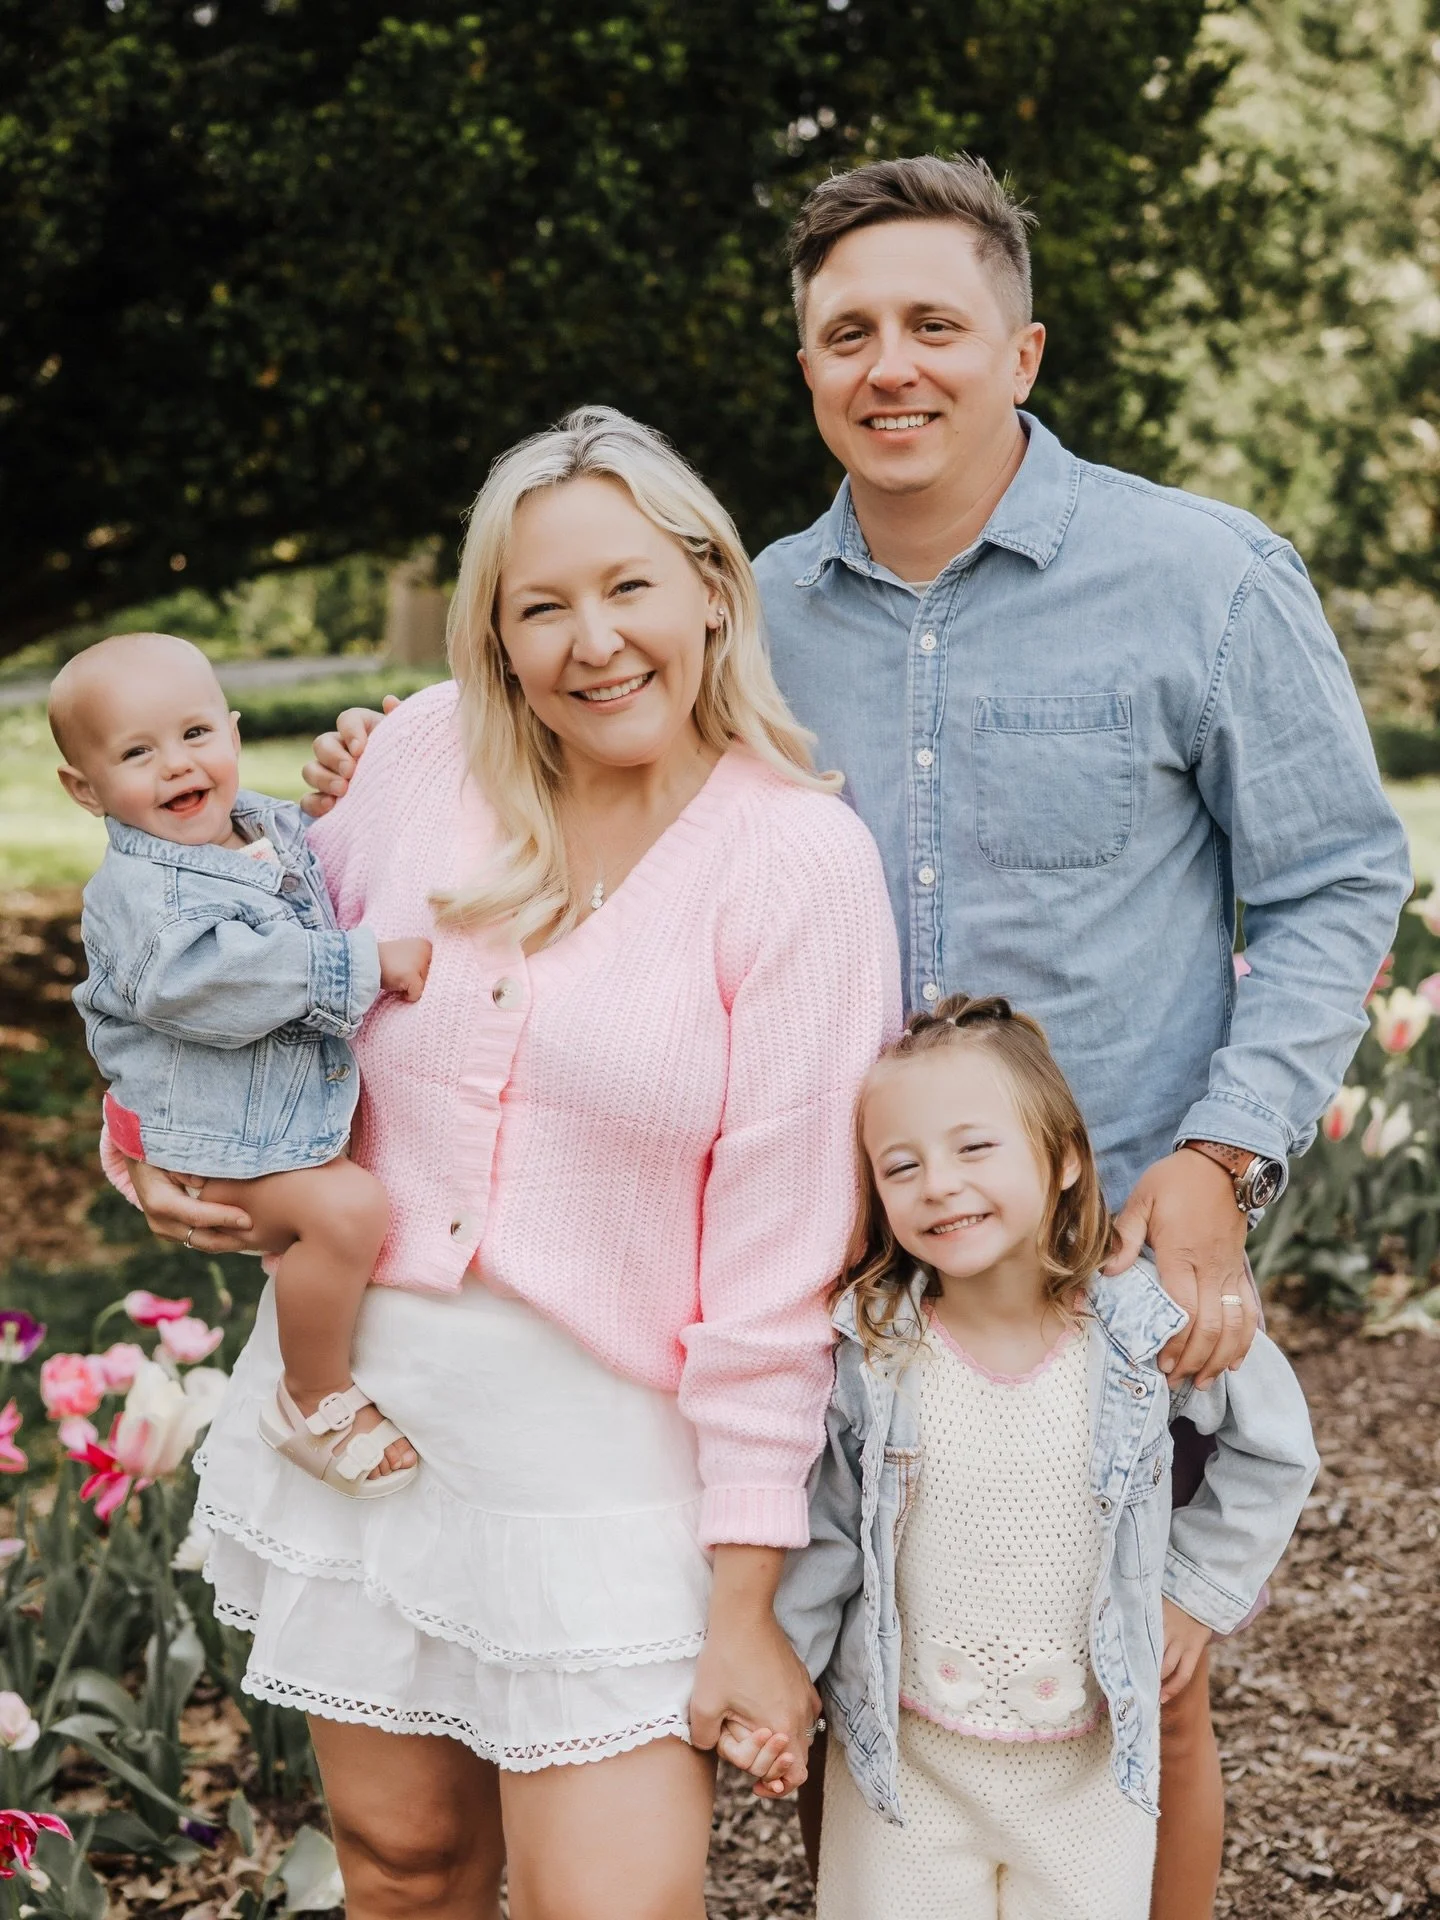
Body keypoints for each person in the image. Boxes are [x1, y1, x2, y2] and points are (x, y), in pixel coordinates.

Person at [301, 155, 1410, 1911]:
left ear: (1023, 351)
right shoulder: (740, 612)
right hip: (825, 1269)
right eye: (848, 332)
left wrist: (1220, 1154)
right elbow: (568, 718)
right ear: (808, 366)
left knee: (1141, 1686)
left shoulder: (1204, 579)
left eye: (934, 325)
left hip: (1098, 1247)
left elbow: (1342, 879)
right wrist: (398, 750)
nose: (891, 365)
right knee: (878, 1687)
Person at [109, 408, 900, 1920]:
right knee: (404, 1869)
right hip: (363, 1412)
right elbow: (232, 979)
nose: (593, 641)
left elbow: (781, 1268)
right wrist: (149, 1145)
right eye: (542, 606)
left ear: (712, 590)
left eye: (629, 587)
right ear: (497, 635)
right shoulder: (414, 760)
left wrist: (746, 1597)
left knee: (617, 1905)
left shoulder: (797, 862)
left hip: (600, 1466)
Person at [742, 994, 1318, 1918]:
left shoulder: (1137, 1329)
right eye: (902, 1164)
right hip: (910, 1769)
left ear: (1064, 1160)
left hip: (1088, 1775)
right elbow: (833, 1529)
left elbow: (1275, 1450)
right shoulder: (878, 1349)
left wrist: (1192, 1595)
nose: (938, 1183)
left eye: (975, 1149)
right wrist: (788, 1681)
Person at [51, 632, 429, 1494]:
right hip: (212, 1142)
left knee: (339, 1213)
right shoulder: (145, 894)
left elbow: (320, 859)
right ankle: (313, 1394)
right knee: (345, 1211)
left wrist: (369, 784)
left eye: (194, 734)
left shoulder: (252, 826)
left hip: (260, 1120)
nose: (177, 765)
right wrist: (363, 965)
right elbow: (209, 983)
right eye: (137, 752)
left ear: (233, 730)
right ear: (84, 788)